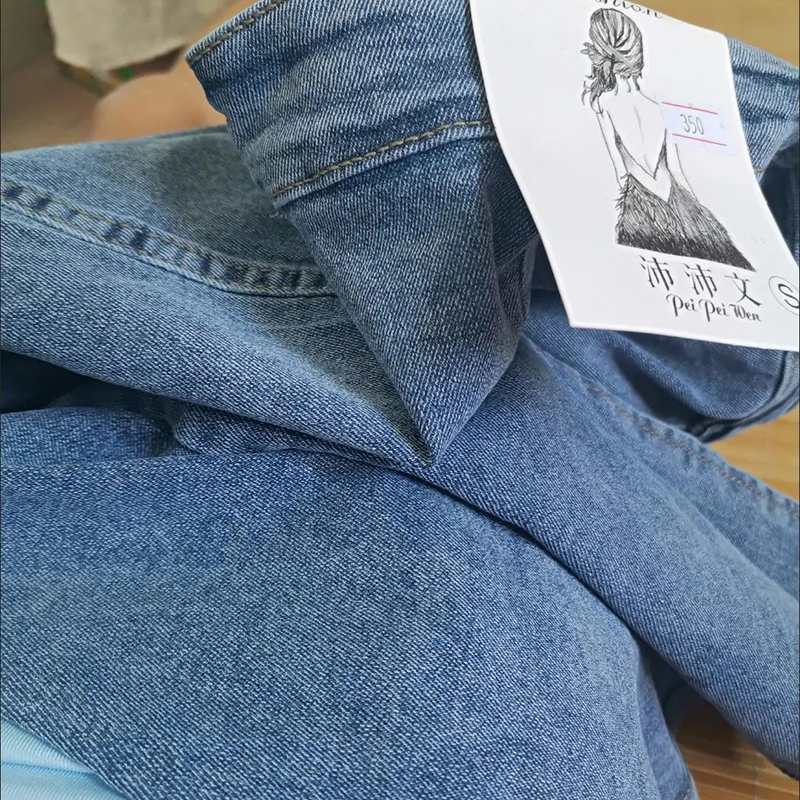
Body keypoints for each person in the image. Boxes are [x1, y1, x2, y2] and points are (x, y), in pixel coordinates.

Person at [582, 8, 753, 270]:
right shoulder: (658, 109)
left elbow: (620, 172)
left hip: (642, 208)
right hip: (680, 201)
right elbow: (676, 170)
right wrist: (697, 213)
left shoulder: (603, 104)